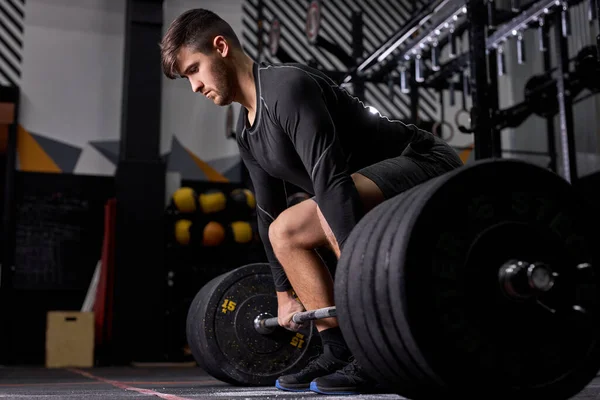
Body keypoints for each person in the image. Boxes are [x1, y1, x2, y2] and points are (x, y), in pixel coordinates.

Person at [160, 8, 463, 395]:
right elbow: (268, 211)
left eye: (193, 70)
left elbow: (332, 182)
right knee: (283, 231)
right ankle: (339, 350)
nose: (195, 87)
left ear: (220, 47)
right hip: (354, 190)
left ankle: (368, 354)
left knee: (313, 211)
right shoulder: (248, 132)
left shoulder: (287, 87)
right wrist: (284, 295)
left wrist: (359, 288)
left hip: (423, 161)